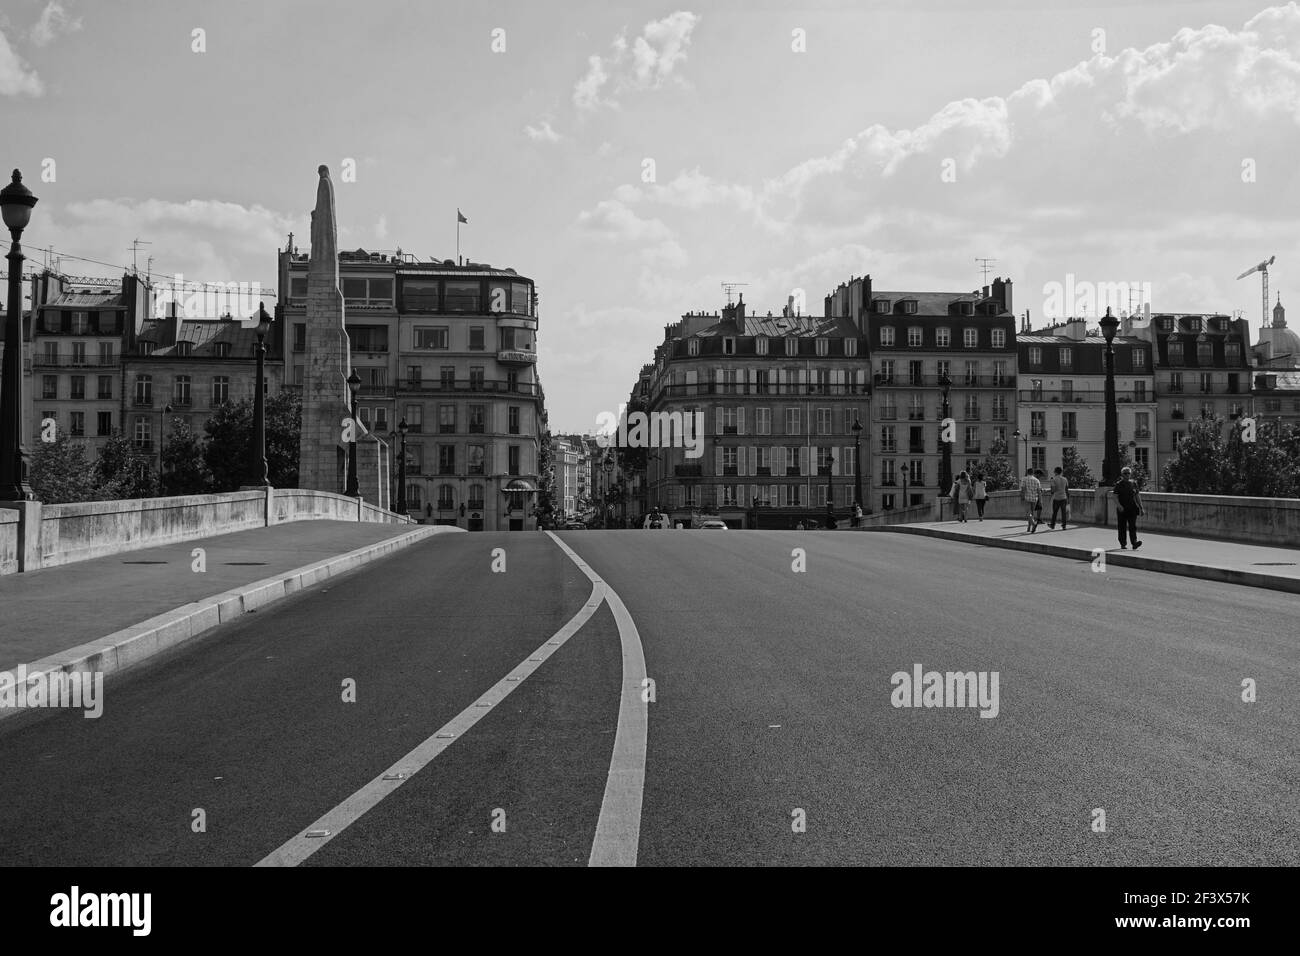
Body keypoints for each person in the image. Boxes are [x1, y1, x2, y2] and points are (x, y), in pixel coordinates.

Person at [1113, 466, 1143, 550]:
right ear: (1122, 474)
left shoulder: (1134, 483)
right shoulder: (1119, 484)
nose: (1127, 475)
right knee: (1122, 527)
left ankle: (1134, 543)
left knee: (1132, 526)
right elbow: (1115, 496)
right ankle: (1123, 544)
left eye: (1128, 473)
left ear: (1130, 474)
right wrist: (1119, 506)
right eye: (1125, 473)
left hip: (1132, 508)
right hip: (1122, 509)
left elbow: (1137, 496)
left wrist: (1141, 507)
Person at [1019, 467, 1042, 533]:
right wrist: (1040, 501)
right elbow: (1039, 491)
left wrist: (1022, 497)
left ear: (1027, 472)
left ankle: (1033, 524)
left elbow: (1023, 489)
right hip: (1034, 498)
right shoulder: (1037, 480)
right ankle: (1029, 528)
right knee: (1032, 514)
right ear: (1033, 473)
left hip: (1027, 498)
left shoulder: (1024, 479)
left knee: (1028, 513)